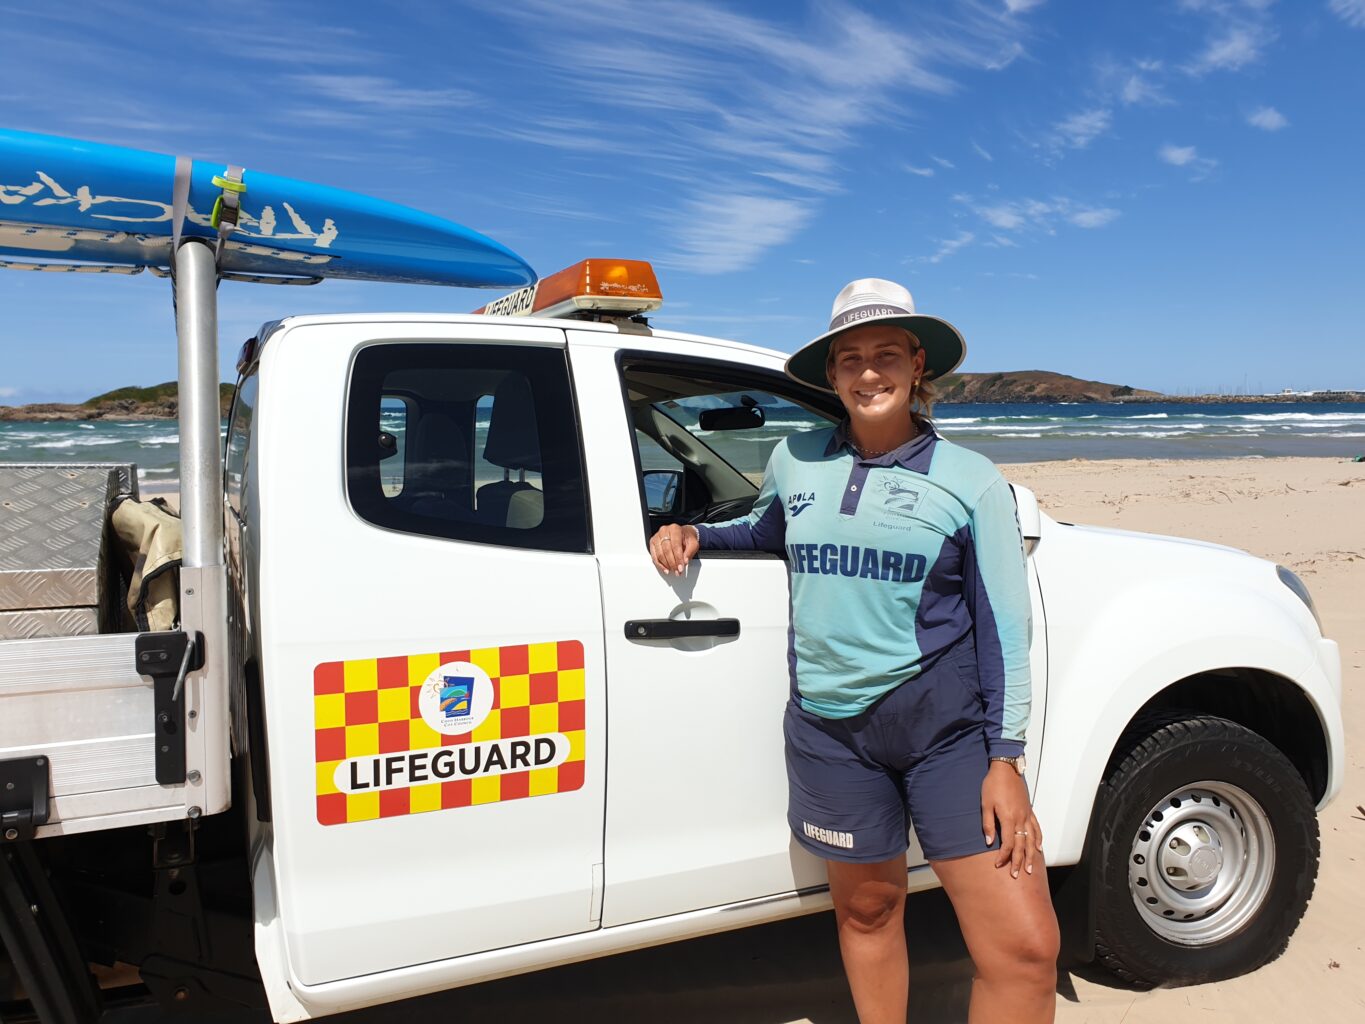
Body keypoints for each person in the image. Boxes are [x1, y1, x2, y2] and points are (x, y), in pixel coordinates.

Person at [648, 279, 1059, 1023]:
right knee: (868, 914)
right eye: (849, 359)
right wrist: (694, 532)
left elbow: (1003, 624)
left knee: (1025, 949)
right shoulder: (796, 457)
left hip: (947, 738)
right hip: (831, 734)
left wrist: (1005, 757)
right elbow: (769, 529)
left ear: (915, 367)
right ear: (831, 375)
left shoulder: (969, 480)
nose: (867, 373)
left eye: (884, 356)